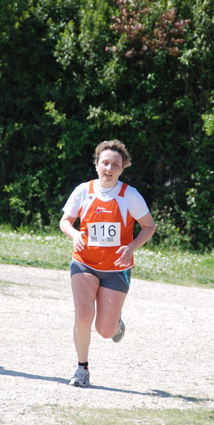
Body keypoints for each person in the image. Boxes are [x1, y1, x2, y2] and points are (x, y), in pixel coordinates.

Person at [59, 140, 156, 387]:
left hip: (116, 269)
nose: (109, 168)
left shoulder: (129, 195)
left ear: (122, 169)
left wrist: (132, 246)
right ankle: (82, 369)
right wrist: (76, 234)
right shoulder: (84, 191)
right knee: (83, 316)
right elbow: (65, 221)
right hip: (84, 263)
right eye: (105, 163)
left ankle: (115, 323)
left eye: (115, 164)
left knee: (104, 330)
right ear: (96, 165)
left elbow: (149, 226)